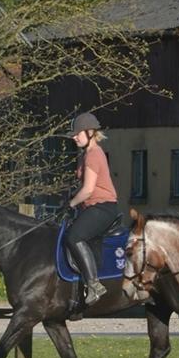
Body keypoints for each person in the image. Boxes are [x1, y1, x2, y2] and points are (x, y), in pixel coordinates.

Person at [65, 111, 120, 306]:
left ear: (90, 133)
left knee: (74, 237)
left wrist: (71, 204)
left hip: (103, 207)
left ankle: (94, 285)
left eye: (77, 134)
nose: (74, 137)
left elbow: (88, 190)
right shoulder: (84, 155)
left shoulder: (94, 155)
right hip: (90, 207)